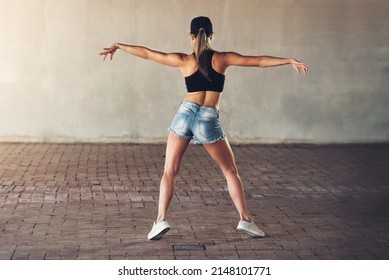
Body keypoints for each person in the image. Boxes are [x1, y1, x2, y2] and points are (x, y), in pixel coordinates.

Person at [100, 16, 308, 241]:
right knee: (230, 171)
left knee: (170, 171)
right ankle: (245, 220)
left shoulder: (183, 60)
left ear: (191, 37)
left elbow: (149, 53)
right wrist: (288, 60)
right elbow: (258, 61)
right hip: (208, 119)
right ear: (211, 36)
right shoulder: (222, 59)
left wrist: (119, 46)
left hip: (184, 114)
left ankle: (159, 221)